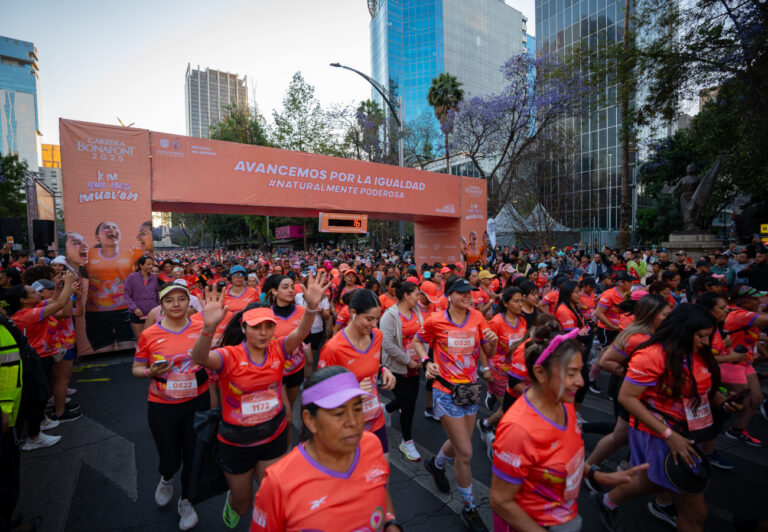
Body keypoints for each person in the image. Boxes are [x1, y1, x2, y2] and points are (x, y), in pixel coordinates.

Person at [189, 270, 329, 528]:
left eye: (269, 326)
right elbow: (199, 359)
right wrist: (208, 328)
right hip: (236, 441)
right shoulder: (228, 355)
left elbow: (300, 333)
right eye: (256, 327)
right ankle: (234, 495)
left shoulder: (278, 348)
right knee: (243, 507)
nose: (264, 333)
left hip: (271, 435)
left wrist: (311, 307)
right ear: (243, 328)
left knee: (269, 498)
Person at [593, 304, 742, 532]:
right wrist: (668, 434)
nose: (705, 342)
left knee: (652, 481)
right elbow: (627, 396)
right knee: (696, 514)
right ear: (682, 330)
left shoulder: (699, 356)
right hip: (659, 434)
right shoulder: (650, 354)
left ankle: (607, 501)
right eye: (700, 335)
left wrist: (724, 402)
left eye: (708, 336)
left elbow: (703, 391)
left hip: (688, 432)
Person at [490, 326, 648, 531]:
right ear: (540, 372)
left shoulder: (564, 403)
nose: (580, 382)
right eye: (571, 373)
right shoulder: (518, 430)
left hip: (563, 516)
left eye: (580, 372)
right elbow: (501, 502)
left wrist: (597, 476)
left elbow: (564, 459)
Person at [250, 366, 401, 531]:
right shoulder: (278, 483)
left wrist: (390, 523)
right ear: (310, 421)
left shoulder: (372, 444)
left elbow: (382, 490)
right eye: (338, 413)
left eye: (357, 409)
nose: (352, 422)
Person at [414, 276, 497, 531]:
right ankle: (469, 507)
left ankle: (436, 464)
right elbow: (418, 341)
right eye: (461, 293)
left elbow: (487, 351)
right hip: (445, 390)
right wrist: (426, 362)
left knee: (459, 440)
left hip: (469, 390)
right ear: (449, 295)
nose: (467, 296)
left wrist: (492, 344)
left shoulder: (477, 318)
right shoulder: (435, 321)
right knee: (466, 452)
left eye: (468, 292)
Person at [131, 282, 210, 531]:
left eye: (181, 299)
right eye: (169, 300)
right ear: (162, 306)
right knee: (170, 457)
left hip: (198, 401)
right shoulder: (149, 334)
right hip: (162, 405)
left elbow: (214, 361)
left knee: (193, 456)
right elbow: (136, 368)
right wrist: (149, 371)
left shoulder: (202, 328)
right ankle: (166, 477)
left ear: (189, 304)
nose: (176, 304)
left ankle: (187, 501)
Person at [4, 271, 77, 449]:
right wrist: (68, 283)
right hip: (36, 359)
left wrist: (60, 286)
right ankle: (34, 437)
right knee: (38, 396)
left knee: (41, 394)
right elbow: (60, 303)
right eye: (33, 292)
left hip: (42, 357)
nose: (39, 293)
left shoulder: (32, 309)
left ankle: (41, 422)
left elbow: (54, 300)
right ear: (23, 300)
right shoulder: (28, 315)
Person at [318, 289, 396, 455]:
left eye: (377, 318)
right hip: (346, 426)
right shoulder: (333, 348)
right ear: (353, 313)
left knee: (382, 474)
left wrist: (383, 369)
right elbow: (319, 393)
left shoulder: (377, 336)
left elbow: (368, 363)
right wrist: (351, 393)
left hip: (374, 419)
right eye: (369, 318)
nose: (375, 324)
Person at [477, 286, 527, 453]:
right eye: (516, 301)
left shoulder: (523, 321)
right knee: (511, 410)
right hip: (498, 371)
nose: (520, 304)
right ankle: (505, 446)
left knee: (508, 407)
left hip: (516, 371)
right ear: (505, 303)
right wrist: (486, 369)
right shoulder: (496, 322)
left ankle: (485, 424)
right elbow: (483, 347)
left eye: (521, 300)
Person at [380, 279, 425, 461]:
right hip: (397, 367)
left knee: (410, 399)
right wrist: (408, 361)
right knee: (409, 404)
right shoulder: (389, 316)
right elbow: (387, 344)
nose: (419, 297)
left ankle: (387, 409)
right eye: (416, 294)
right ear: (406, 295)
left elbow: (421, 336)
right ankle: (406, 441)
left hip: (416, 365)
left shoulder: (416, 311)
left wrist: (423, 357)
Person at [85, 221, 143, 351]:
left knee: (128, 353)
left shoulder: (133, 254)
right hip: (96, 314)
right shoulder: (87, 255)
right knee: (104, 354)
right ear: (97, 237)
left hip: (126, 311)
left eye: (114, 228)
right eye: (106, 228)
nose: (111, 230)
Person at [722, 285, 768, 446]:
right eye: (755, 299)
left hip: (745, 362)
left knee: (756, 399)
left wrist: (763, 352)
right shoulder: (739, 315)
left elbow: (753, 336)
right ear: (743, 300)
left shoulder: (745, 314)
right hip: (731, 363)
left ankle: (737, 430)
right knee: (743, 403)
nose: (759, 302)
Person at [294, 271, 331, 380]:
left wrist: (319, 309)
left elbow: (327, 316)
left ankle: (306, 378)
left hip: (317, 331)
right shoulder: (298, 297)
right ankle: (303, 378)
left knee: (311, 358)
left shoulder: (324, 298)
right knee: (307, 358)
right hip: (303, 331)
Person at [124, 256, 159, 341]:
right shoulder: (132, 277)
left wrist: (158, 308)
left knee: (152, 337)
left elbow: (157, 294)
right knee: (140, 338)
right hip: (137, 314)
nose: (151, 266)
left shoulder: (154, 278)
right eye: (148, 264)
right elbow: (127, 295)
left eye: (152, 264)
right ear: (141, 265)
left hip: (152, 313)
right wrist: (134, 308)